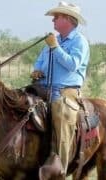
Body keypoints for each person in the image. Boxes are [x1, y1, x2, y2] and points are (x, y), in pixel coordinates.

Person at [30, 1, 90, 178]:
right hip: (42, 88)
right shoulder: (50, 42)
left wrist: (55, 47)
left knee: (62, 117)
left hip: (65, 93)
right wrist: (36, 71)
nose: (53, 21)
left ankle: (59, 171)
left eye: (57, 17)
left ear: (68, 19)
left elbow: (72, 65)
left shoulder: (80, 42)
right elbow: (39, 63)